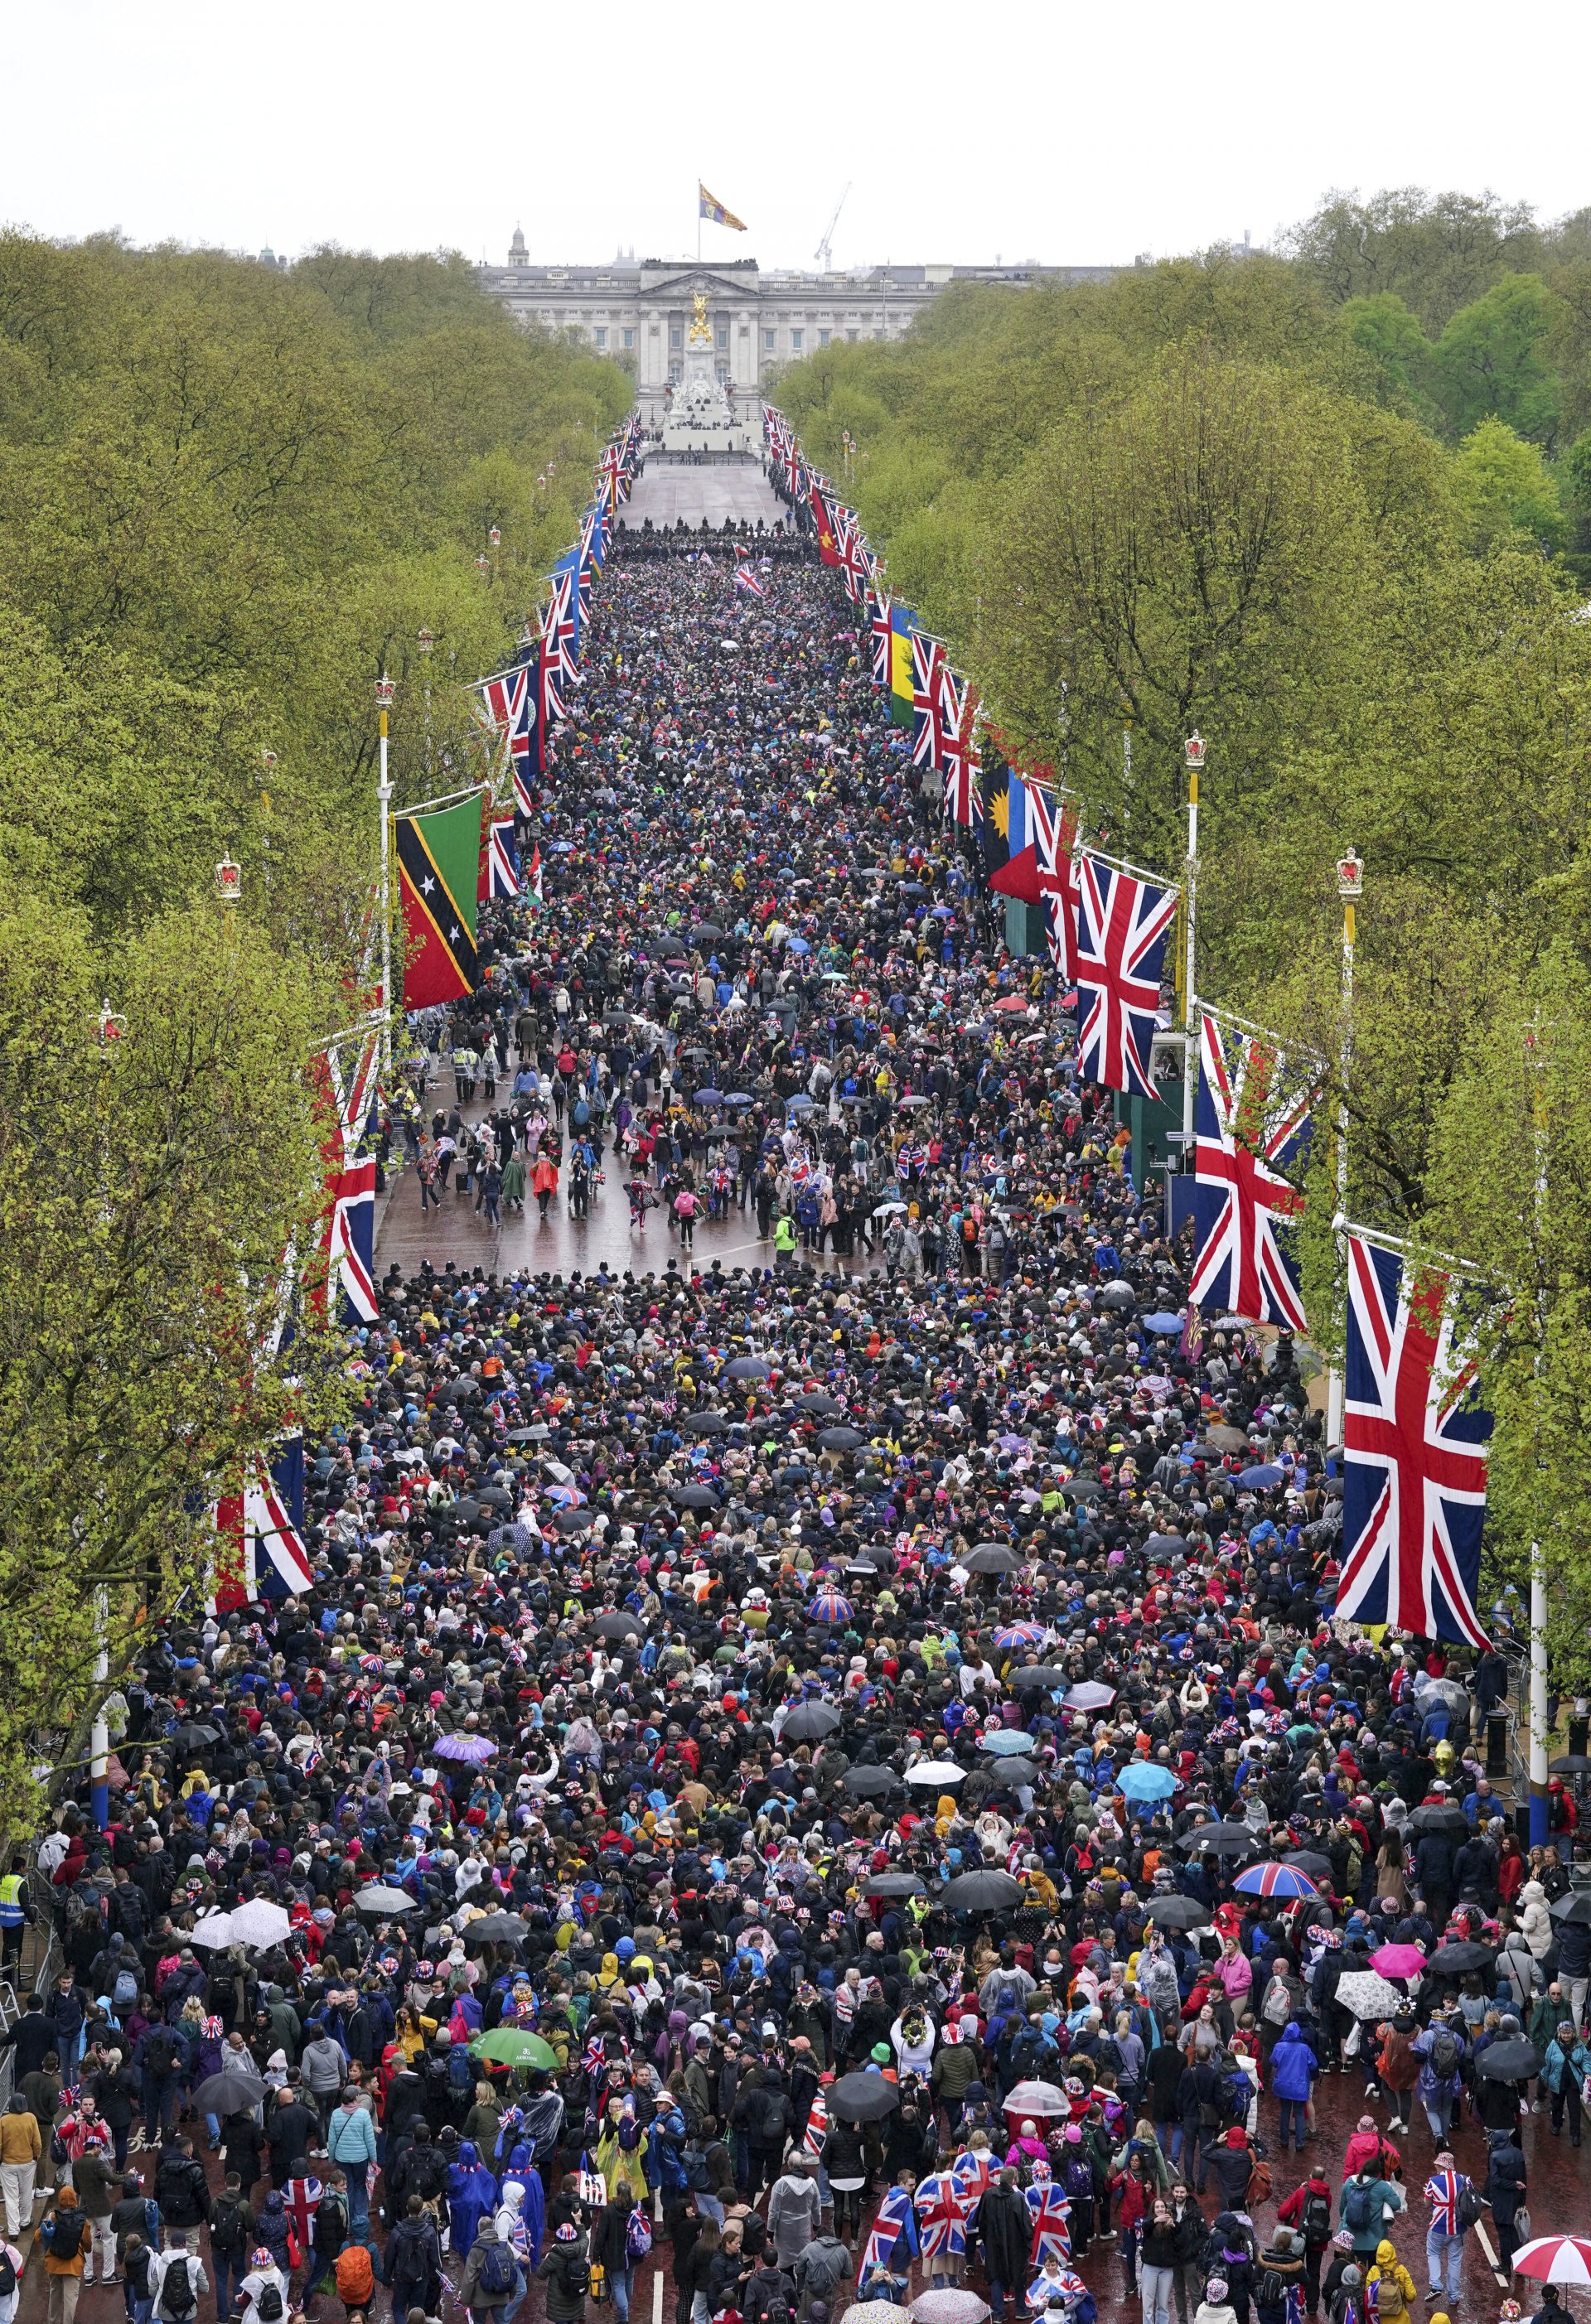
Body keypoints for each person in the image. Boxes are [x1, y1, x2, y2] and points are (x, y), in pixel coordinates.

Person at [1421, 2152, 1475, 2308]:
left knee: (1433, 2253)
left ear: (1443, 2166)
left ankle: (1436, 2285)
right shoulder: (1465, 2180)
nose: (1435, 2167)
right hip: (1458, 2229)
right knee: (1455, 2261)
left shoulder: (1433, 2181)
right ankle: (1453, 2296)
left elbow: (1426, 2203)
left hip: (1438, 2227)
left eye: (1437, 2165)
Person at [41, 2186, 91, 2324]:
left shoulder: (52, 2216)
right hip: (73, 2265)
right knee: (70, 2300)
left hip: (53, 2263)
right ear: (75, 2200)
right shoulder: (82, 2221)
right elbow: (87, 2246)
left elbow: (37, 2236)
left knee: (54, 2294)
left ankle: (53, 2321)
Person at [0, 2094, 40, 2240]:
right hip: (27, 2162)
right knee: (26, 2193)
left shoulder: (3, 2121)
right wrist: (36, 2156)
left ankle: (13, 2231)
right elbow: (37, 2142)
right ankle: (24, 2221)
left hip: (8, 2163)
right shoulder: (31, 2118)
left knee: (11, 2198)